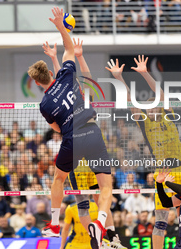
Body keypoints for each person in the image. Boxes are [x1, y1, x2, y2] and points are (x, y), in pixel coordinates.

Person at [30, 8, 112, 249]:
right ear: (51, 74)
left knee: (58, 179)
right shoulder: (67, 76)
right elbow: (68, 49)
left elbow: (56, 128)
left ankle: (54, 223)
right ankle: (102, 222)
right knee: (105, 187)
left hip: (71, 139)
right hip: (92, 131)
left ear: (37, 82)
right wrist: (60, 28)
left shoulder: (44, 104)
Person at [42, 38, 126, 249]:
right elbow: (68, 80)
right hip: (86, 145)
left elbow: (70, 80)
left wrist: (73, 56)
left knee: (95, 198)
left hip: (78, 146)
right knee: (93, 198)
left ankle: (110, 239)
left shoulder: (77, 91)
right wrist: (68, 57)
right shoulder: (76, 91)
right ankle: (100, 239)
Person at [106, 55, 181, 249]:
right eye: (148, 108)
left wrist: (145, 73)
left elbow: (159, 93)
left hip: (180, 171)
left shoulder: (168, 115)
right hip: (161, 174)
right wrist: (119, 78)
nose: (151, 110)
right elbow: (129, 99)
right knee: (160, 219)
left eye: (154, 107)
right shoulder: (144, 123)